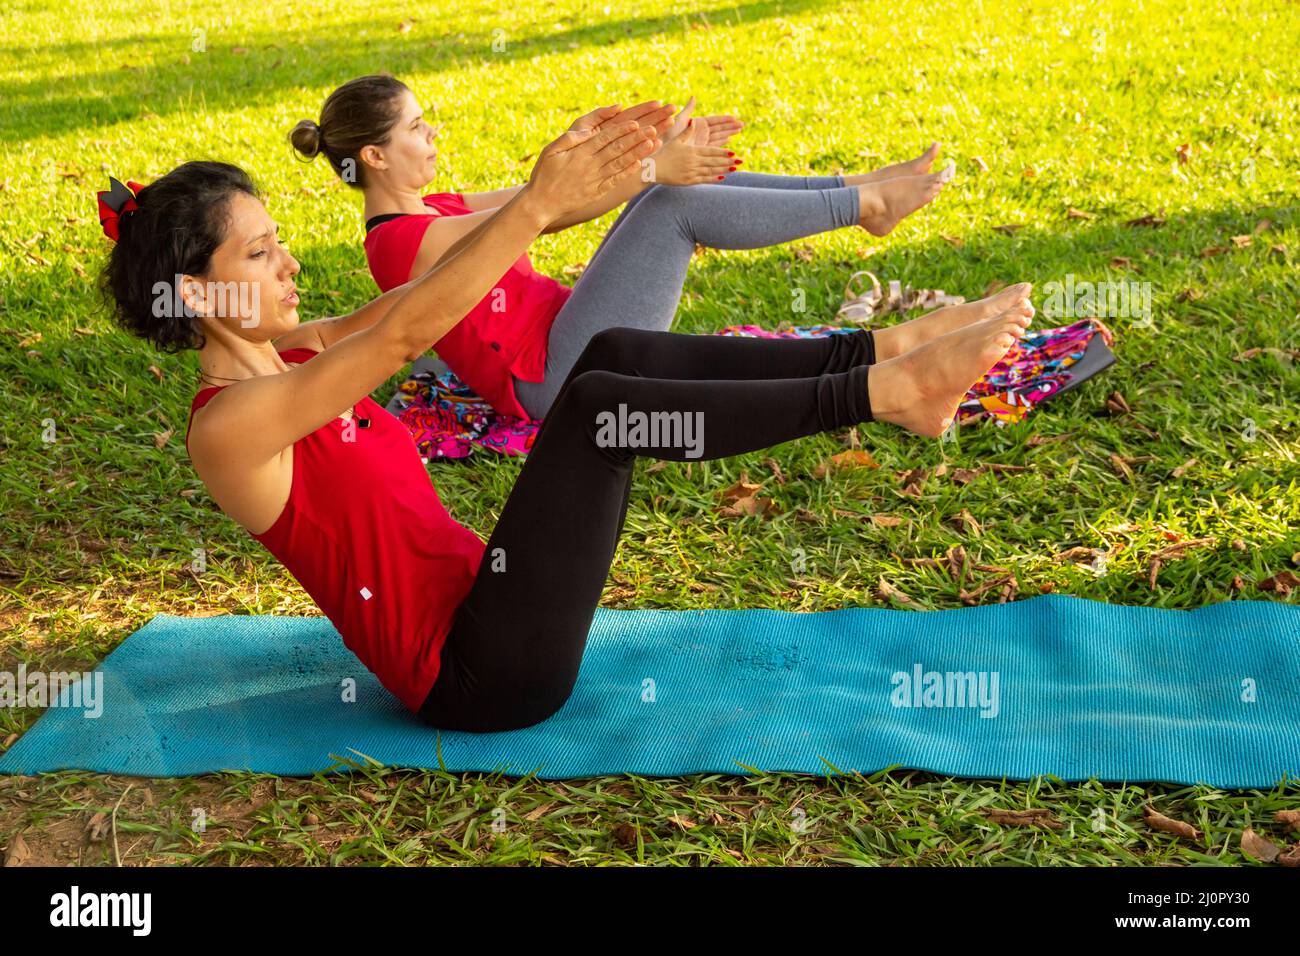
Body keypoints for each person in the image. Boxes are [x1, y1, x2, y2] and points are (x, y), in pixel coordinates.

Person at [98, 111, 1033, 732]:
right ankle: (885, 392)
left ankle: (880, 359)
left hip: (500, 605)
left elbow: (414, 299)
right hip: (478, 675)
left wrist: (581, 195)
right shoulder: (229, 428)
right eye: (260, 253)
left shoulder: (291, 348)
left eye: (279, 241)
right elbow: (406, 337)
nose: (288, 262)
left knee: (612, 352)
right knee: (592, 405)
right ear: (194, 289)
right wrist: (539, 201)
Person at [290, 75, 979, 421]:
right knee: (671, 201)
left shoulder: (431, 208)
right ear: (376, 155)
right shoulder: (399, 246)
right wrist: (654, 169)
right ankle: (864, 205)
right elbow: (545, 213)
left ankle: (855, 188)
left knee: (668, 189)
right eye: (417, 127)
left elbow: (535, 190)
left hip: (564, 335)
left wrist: (600, 149)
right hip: (551, 381)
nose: (433, 132)